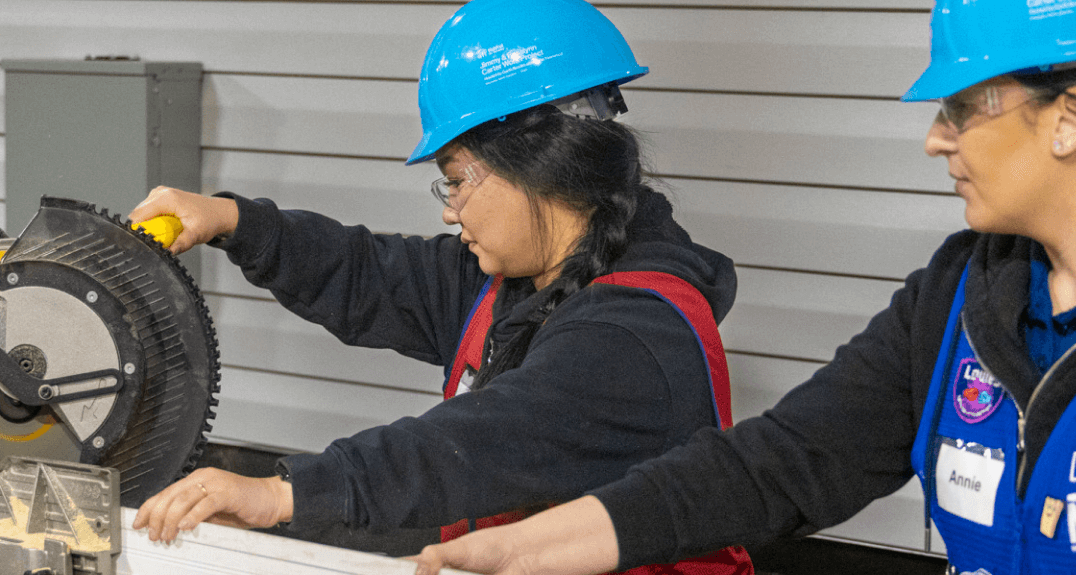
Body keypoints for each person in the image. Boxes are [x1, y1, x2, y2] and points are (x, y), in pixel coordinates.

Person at [413, 1, 1076, 574]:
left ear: (1072, 118)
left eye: (964, 108)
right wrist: (552, 541)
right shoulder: (962, 293)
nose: (936, 138)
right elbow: (783, 461)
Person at [128, 0, 755, 571]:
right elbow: (369, 272)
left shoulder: (633, 340)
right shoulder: (520, 278)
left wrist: (282, 494)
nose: (450, 211)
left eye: (456, 180)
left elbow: (474, 443)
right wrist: (232, 221)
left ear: (539, 170)